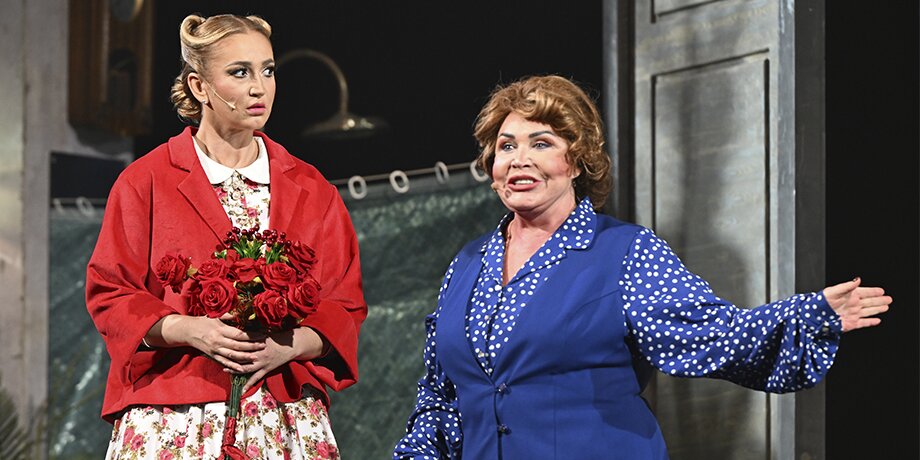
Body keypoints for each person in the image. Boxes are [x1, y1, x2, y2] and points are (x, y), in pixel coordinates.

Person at [393, 75, 892, 459]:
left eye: (541, 143)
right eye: (507, 146)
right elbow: (441, 396)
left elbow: (711, 335)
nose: (519, 159)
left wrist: (808, 314)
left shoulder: (625, 252)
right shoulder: (468, 264)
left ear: (577, 161)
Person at [86, 14, 366, 460]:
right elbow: (110, 293)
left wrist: (286, 346)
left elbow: (344, 306)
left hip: (282, 416)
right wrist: (190, 330)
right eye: (240, 72)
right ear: (199, 86)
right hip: (173, 415)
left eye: (268, 70)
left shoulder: (312, 189)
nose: (259, 88)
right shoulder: (147, 181)